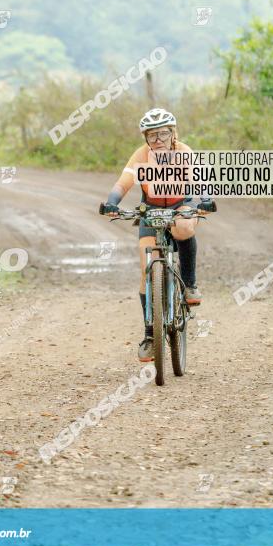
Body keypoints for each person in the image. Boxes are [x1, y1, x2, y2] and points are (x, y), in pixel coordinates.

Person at [100, 108, 214, 362]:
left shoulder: (184, 152)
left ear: (173, 134)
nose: (158, 140)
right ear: (146, 139)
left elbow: (201, 179)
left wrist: (205, 198)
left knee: (184, 227)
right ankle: (151, 335)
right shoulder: (141, 156)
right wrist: (112, 202)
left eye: (163, 134)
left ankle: (190, 284)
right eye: (152, 136)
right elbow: (123, 183)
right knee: (145, 268)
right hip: (150, 208)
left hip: (180, 205)